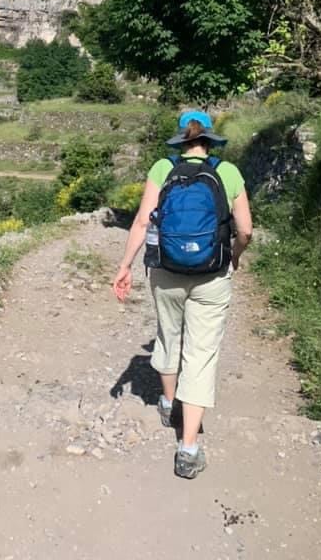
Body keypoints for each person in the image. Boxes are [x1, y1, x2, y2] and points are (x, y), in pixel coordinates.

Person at [112, 109, 253, 479]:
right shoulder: (228, 172)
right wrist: (234, 257)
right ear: (209, 139)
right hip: (212, 275)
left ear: (181, 137)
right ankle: (188, 448)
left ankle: (167, 402)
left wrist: (125, 265)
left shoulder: (163, 168)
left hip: (166, 270)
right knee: (201, 354)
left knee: (169, 334)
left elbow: (143, 221)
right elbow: (246, 231)